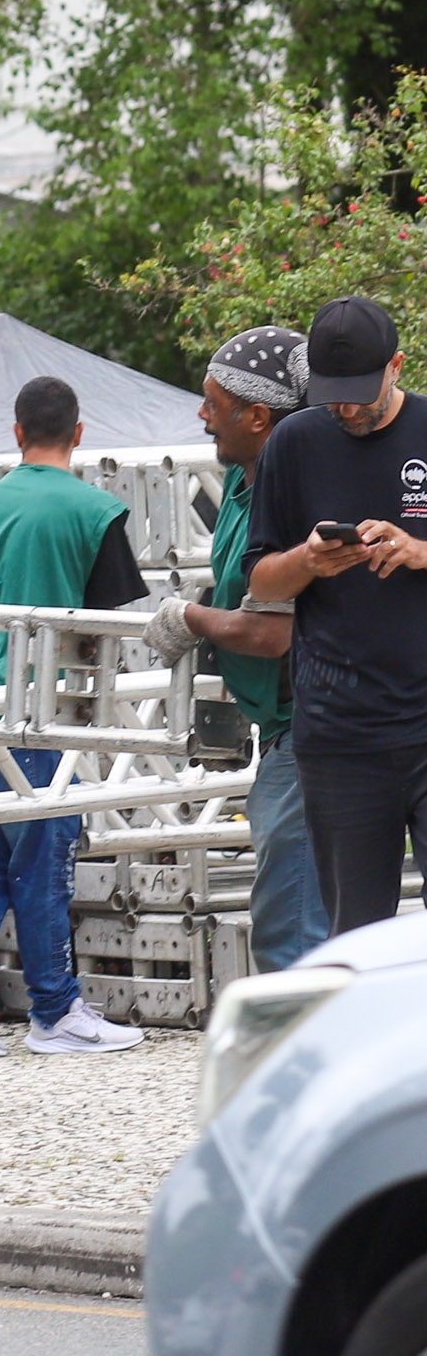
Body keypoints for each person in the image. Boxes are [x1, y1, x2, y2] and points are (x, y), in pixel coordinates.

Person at [0, 375, 149, 1060]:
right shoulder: (95, 511)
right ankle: (55, 1010)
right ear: (79, 434)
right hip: (50, 710)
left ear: (16, 433)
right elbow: (109, 623)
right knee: (45, 860)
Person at [143, 327, 328, 971]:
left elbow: (276, 631)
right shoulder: (244, 485)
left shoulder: (295, 492)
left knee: (294, 929)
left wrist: (191, 618)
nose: (202, 417)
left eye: (213, 405)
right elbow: (243, 598)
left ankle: (300, 1062)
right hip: (281, 726)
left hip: (314, 732)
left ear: (258, 416)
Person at [244, 296, 427, 933]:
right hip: (340, 733)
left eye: (358, 394)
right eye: (331, 395)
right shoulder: (294, 441)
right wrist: (308, 562)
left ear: (396, 366)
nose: (345, 409)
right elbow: (261, 577)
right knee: (356, 931)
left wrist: (417, 550)